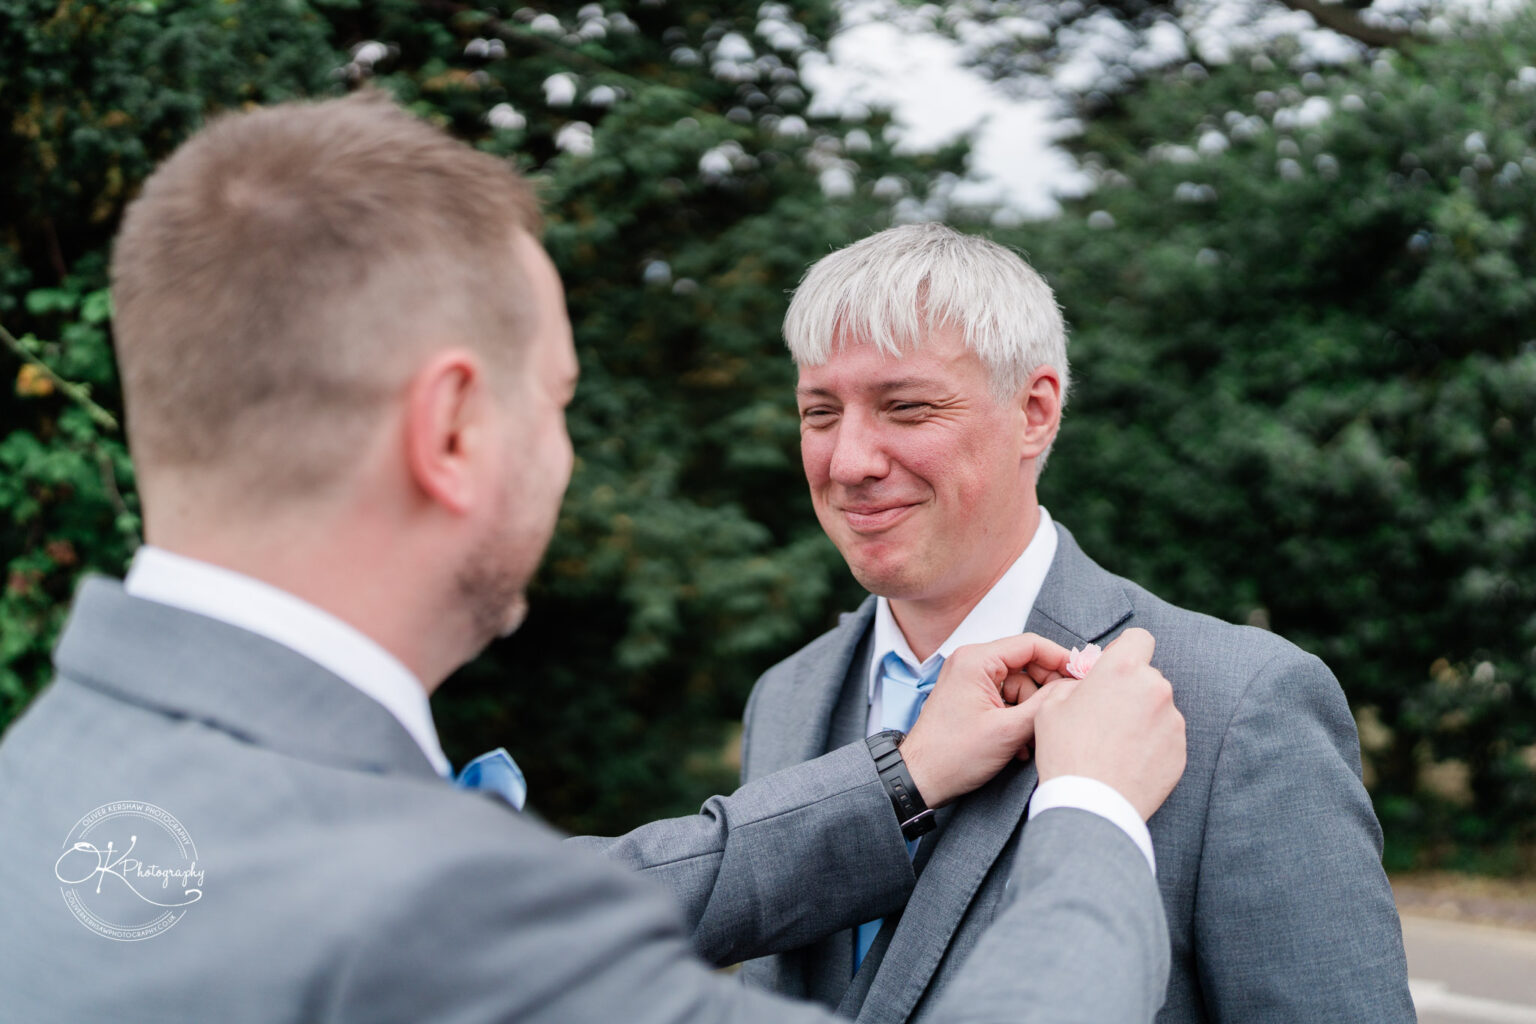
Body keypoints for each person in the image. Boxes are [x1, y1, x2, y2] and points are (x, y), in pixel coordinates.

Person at [0, 93, 1185, 1023]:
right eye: (558, 401)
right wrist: (1087, 811)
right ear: (452, 431)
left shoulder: (44, 783)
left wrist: (900, 776)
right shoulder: (432, 904)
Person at [737, 223, 1416, 1023]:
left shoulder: (1239, 704)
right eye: (820, 413)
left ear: (1034, 412)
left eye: (906, 408)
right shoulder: (784, 697)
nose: (848, 461)